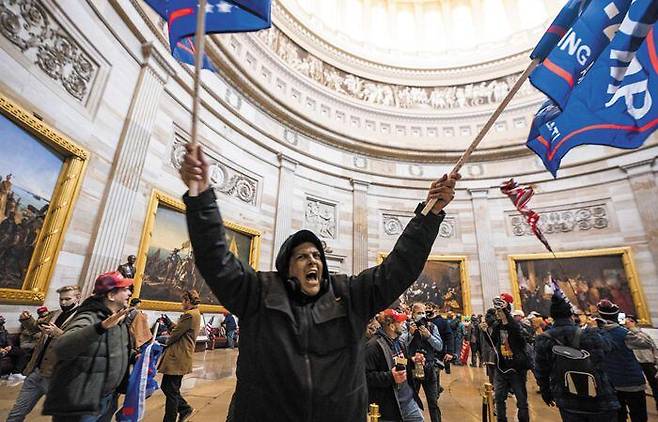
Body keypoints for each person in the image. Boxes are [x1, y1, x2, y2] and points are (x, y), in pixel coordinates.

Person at [179, 142, 459, 421]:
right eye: (302, 256)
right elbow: (216, 259)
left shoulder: (349, 294)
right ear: (286, 267)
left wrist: (430, 213)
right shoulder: (259, 293)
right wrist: (201, 196)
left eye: (317, 256)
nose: (313, 261)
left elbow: (399, 267)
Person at [43, 272, 133, 421]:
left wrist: (133, 355)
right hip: (81, 403)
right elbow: (62, 346)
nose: (129, 293)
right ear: (111, 295)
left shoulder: (118, 318)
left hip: (106, 398)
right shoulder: (89, 316)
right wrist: (100, 327)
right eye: (124, 289)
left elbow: (112, 350)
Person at [534, 289, 619, 421]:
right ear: (571, 315)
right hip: (599, 398)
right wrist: (597, 328)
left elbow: (541, 371)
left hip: (567, 398)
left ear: (552, 316)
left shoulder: (543, 339)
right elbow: (609, 347)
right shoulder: (589, 334)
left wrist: (546, 392)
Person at [6, 285, 81, 421]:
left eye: (67, 299)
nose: (63, 302)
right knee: (17, 412)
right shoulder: (54, 314)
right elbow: (35, 329)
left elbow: (79, 344)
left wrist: (59, 334)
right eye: (61, 299)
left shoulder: (82, 318)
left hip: (57, 376)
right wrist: (27, 319)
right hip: (36, 371)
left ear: (78, 297)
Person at [597, 300, 653, 422]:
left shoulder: (598, 334)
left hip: (612, 382)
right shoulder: (623, 333)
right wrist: (633, 328)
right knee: (639, 415)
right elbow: (648, 343)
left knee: (619, 416)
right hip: (631, 381)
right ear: (617, 316)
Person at [366, 309, 426, 422]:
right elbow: (365, 376)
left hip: (407, 400)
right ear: (392, 326)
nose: (403, 324)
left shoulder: (399, 342)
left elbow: (401, 362)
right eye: (400, 322)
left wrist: (413, 361)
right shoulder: (373, 346)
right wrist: (390, 377)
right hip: (389, 406)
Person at [482, 295, 532, 422]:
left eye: (499, 311)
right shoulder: (498, 326)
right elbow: (492, 341)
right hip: (502, 368)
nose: (497, 314)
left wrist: (504, 311)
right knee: (499, 398)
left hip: (516, 369)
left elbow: (515, 330)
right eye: (497, 311)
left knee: (521, 400)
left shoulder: (515, 325)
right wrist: (484, 331)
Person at [158, 289, 202, 422]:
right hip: (181, 356)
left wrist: (161, 341)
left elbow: (175, 335)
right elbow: (180, 329)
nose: (181, 303)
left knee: (170, 390)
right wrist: (169, 322)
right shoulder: (195, 314)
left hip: (178, 357)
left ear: (188, 301)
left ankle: (173, 417)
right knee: (170, 388)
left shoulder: (189, 314)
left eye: (183, 300)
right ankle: (184, 409)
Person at [405, 303, 444, 422]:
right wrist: (410, 335)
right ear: (413, 314)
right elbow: (401, 345)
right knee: (411, 400)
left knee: (433, 402)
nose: (421, 315)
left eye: (423, 313)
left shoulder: (432, 327)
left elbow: (439, 346)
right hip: (412, 368)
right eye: (418, 313)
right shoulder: (406, 327)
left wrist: (429, 336)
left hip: (429, 368)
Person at [625, 315, 658, 413]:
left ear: (633, 322)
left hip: (648, 362)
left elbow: (653, 348)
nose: (627, 323)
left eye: (629, 321)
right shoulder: (626, 335)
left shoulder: (642, 333)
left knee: (655, 384)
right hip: (636, 363)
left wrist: (656, 361)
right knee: (638, 386)